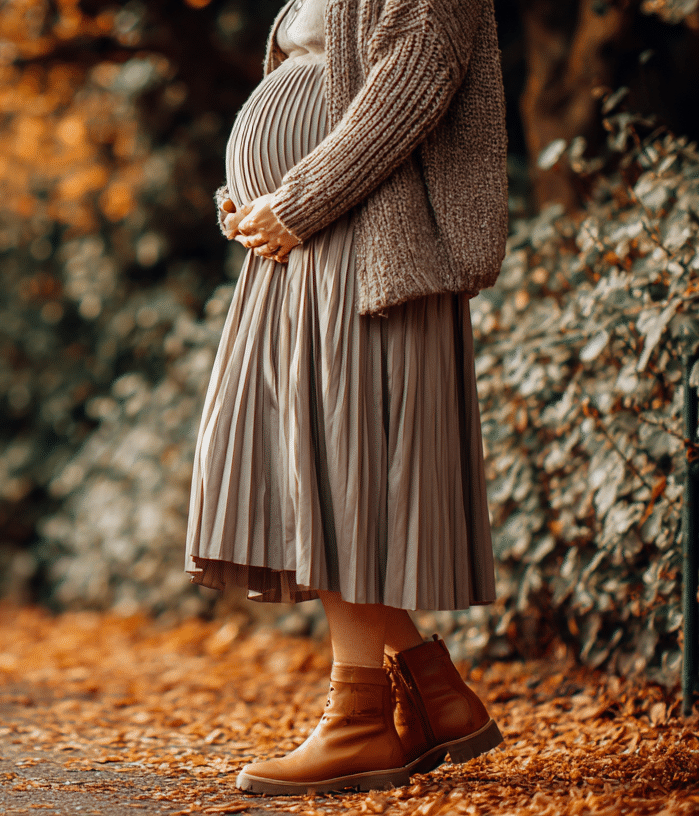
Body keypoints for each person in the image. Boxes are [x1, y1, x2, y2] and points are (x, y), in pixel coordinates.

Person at [183, 0, 508, 796]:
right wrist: (256, 193)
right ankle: (436, 695)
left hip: (363, 240)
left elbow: (412, 78)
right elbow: (320, 77)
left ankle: (361, 719)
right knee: (306, 465)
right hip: (311, 242)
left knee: (344, 464)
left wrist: (297, 200)